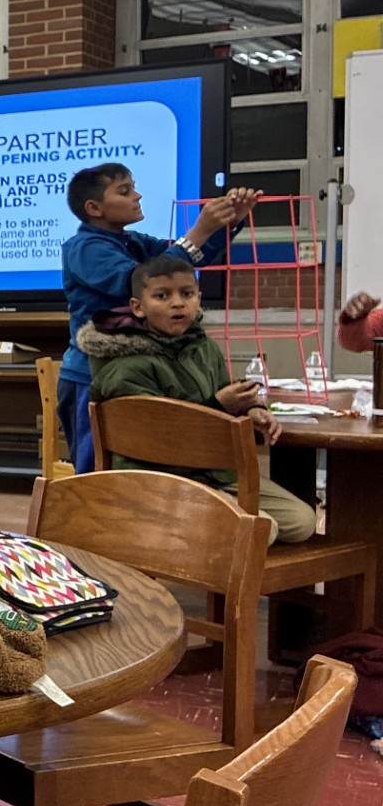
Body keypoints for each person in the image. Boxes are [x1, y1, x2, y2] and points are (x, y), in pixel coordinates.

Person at [83, 253, 315, 545]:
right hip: (157, 477)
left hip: (212, 472)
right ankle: (196, 558)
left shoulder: (202, 345)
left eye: (187, 294)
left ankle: (215, 544)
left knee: (302, 522)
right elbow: (154, 437)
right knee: (261, 531)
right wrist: (219, 406)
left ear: (199, 299)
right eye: (162, 296)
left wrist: (252, 409)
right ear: (138, 307)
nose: (177, 303)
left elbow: (225, 390)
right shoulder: (125, 365)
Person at [58, 165, 259, 473]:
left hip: (136, 369)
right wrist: (199, 230)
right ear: (94, 208)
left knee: (145, 458)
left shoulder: (133, 241)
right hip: (91, 375)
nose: (137, 196)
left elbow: (182, 261)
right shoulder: (84, 248)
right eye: (125, 191)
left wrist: (227, 222)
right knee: (97, 469)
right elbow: (143, 279)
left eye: (133, 188)